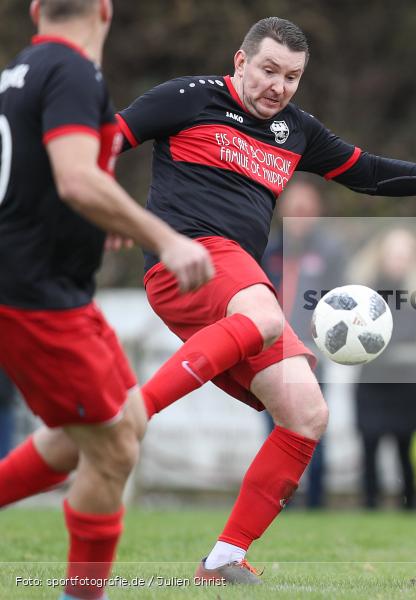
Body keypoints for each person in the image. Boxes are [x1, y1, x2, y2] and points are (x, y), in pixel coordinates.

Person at [4, 16, 416, 585]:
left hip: (234, 282)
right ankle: (142, 408)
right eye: (268, 70)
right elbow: (106, 141)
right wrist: (102, 214)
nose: (277, 86)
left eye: (291, 76)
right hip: (188, 261)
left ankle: (224, 557)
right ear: (240, 61)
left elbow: (369, 172)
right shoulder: (187, 98)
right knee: (260, 310)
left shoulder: (297, 130)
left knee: (306, 414)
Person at [0, 1, 213, 599]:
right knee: (114, 445)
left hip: (54, 290)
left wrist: (98, 217)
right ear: (104, 9)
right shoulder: (72, 70)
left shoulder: (21, 69)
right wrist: (164, 237)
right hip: (36, 296)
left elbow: (43, 181)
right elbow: (74, 177)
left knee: (122, 419)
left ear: (37, 10)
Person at [348, 227, 416, 510]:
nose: (398, 260)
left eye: (405, 255)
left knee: (406, 448)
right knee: (369, 444)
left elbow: (402, 334)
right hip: (372, 381)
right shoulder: (362, 291)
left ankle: (410, 505)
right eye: (393, 254)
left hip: (407, 382)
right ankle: (369, 504)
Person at [261, 178, 346, 509]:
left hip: (312, 356)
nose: (300, 215)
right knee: (274, 431)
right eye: (295, 208)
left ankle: (316, 502)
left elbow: (341, 300)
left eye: (306, 209)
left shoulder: (330, 253)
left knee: (312, 428)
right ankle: (278, 501)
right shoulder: (268, 251)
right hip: (270, 354)